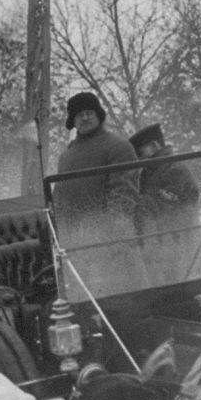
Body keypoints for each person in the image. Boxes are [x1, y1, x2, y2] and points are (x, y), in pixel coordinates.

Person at [53, 91, 146, 296]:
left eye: (89, 112)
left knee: (125, 305)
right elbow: (60, 199)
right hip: (78, 248)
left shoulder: (118, 147)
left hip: (114, 247)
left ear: (99, 115)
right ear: (72, 121)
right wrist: (58, 233)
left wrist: (112, 235)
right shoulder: (67, 156)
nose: (85, 118)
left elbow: (123, 194)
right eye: (79, 115)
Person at [130, 123, 201, 283]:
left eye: (140, 152)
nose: (138, 158)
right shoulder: (149, 173)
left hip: (182, 263)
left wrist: (127, 199)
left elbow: (158, 210)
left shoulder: (176, 171)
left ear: (154, 145)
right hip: (162, 259)